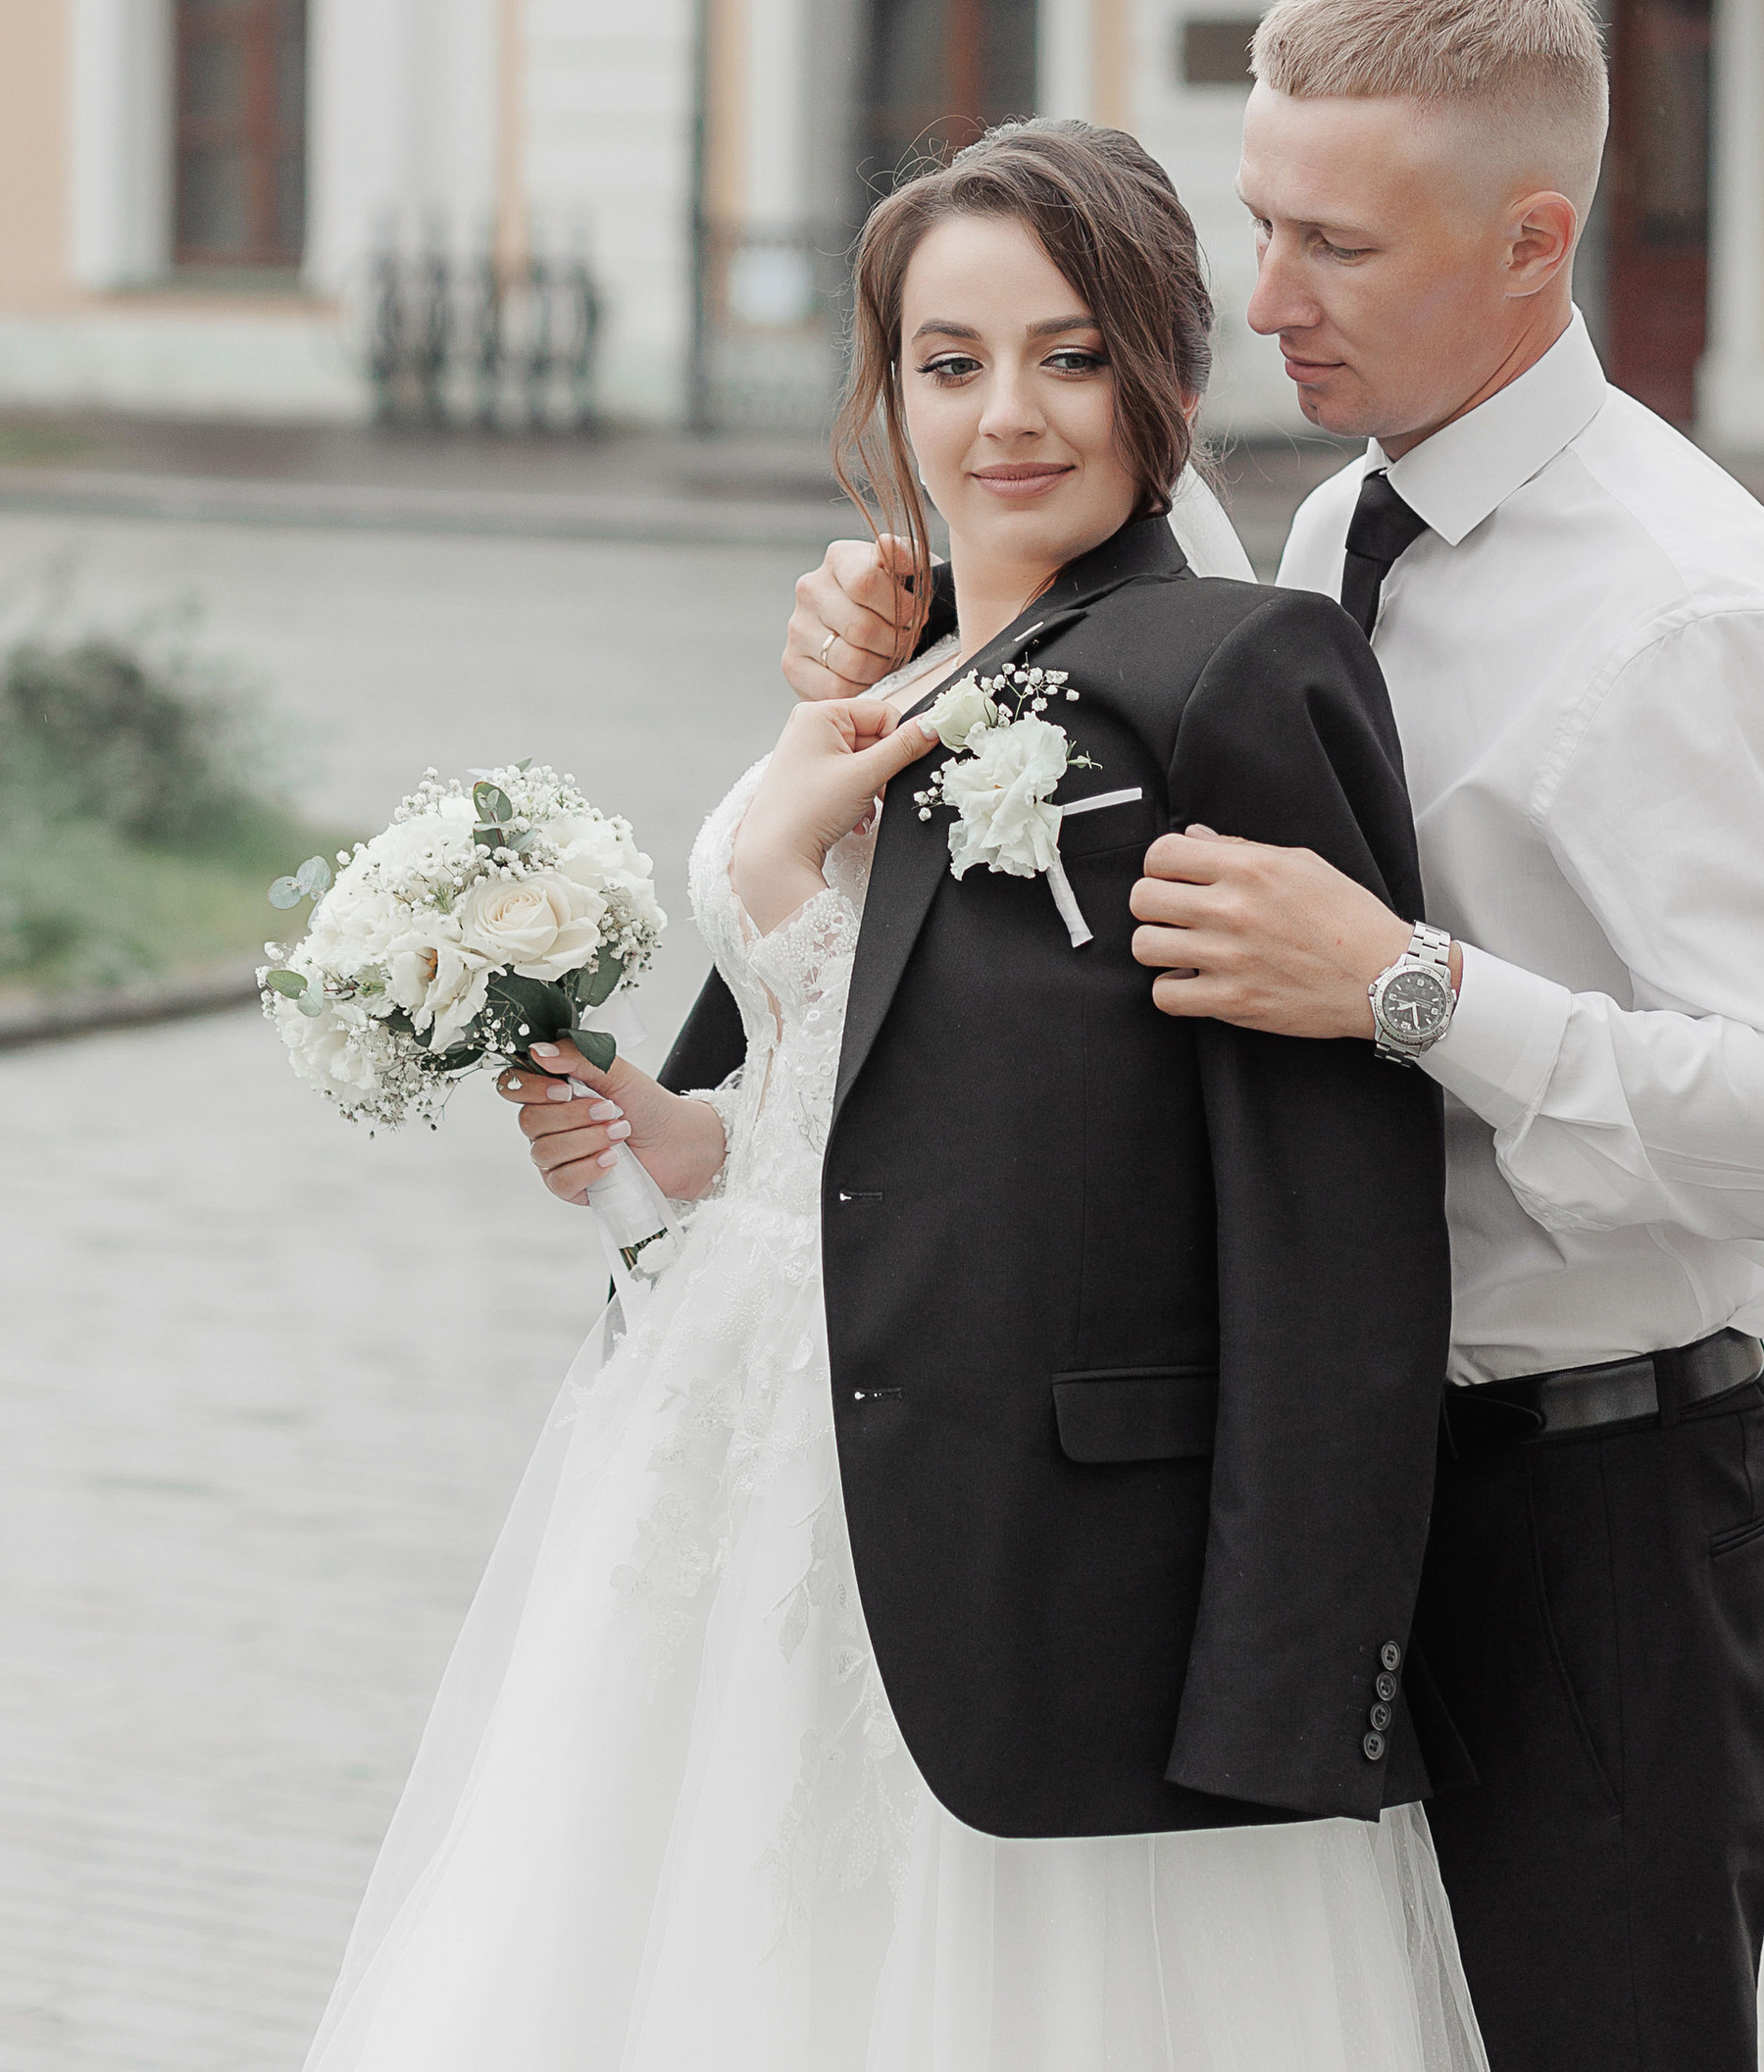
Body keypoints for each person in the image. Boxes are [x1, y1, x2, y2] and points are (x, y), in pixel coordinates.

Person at [785, 0, 1764, 2072]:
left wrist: (1402, 990)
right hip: (1309, 1483)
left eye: (1333, 242)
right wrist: (915, 595)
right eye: (1259, 219)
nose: (1260, 295)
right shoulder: (1338, 519)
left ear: (1529, 243)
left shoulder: (1692, 608)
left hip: (1587, 1517)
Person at [306, 122, 1486, 2072]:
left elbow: (1330, 1220)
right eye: (949, 363)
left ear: (1164, 375)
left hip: (1051, 1571)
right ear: (886, 393)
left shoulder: (1235, 675)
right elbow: (807, 1122)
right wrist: (642, 1144)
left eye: (1068, 353)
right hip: (733, 1493)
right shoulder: (882, 671)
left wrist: (1289, 1687)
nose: (1004, 416)